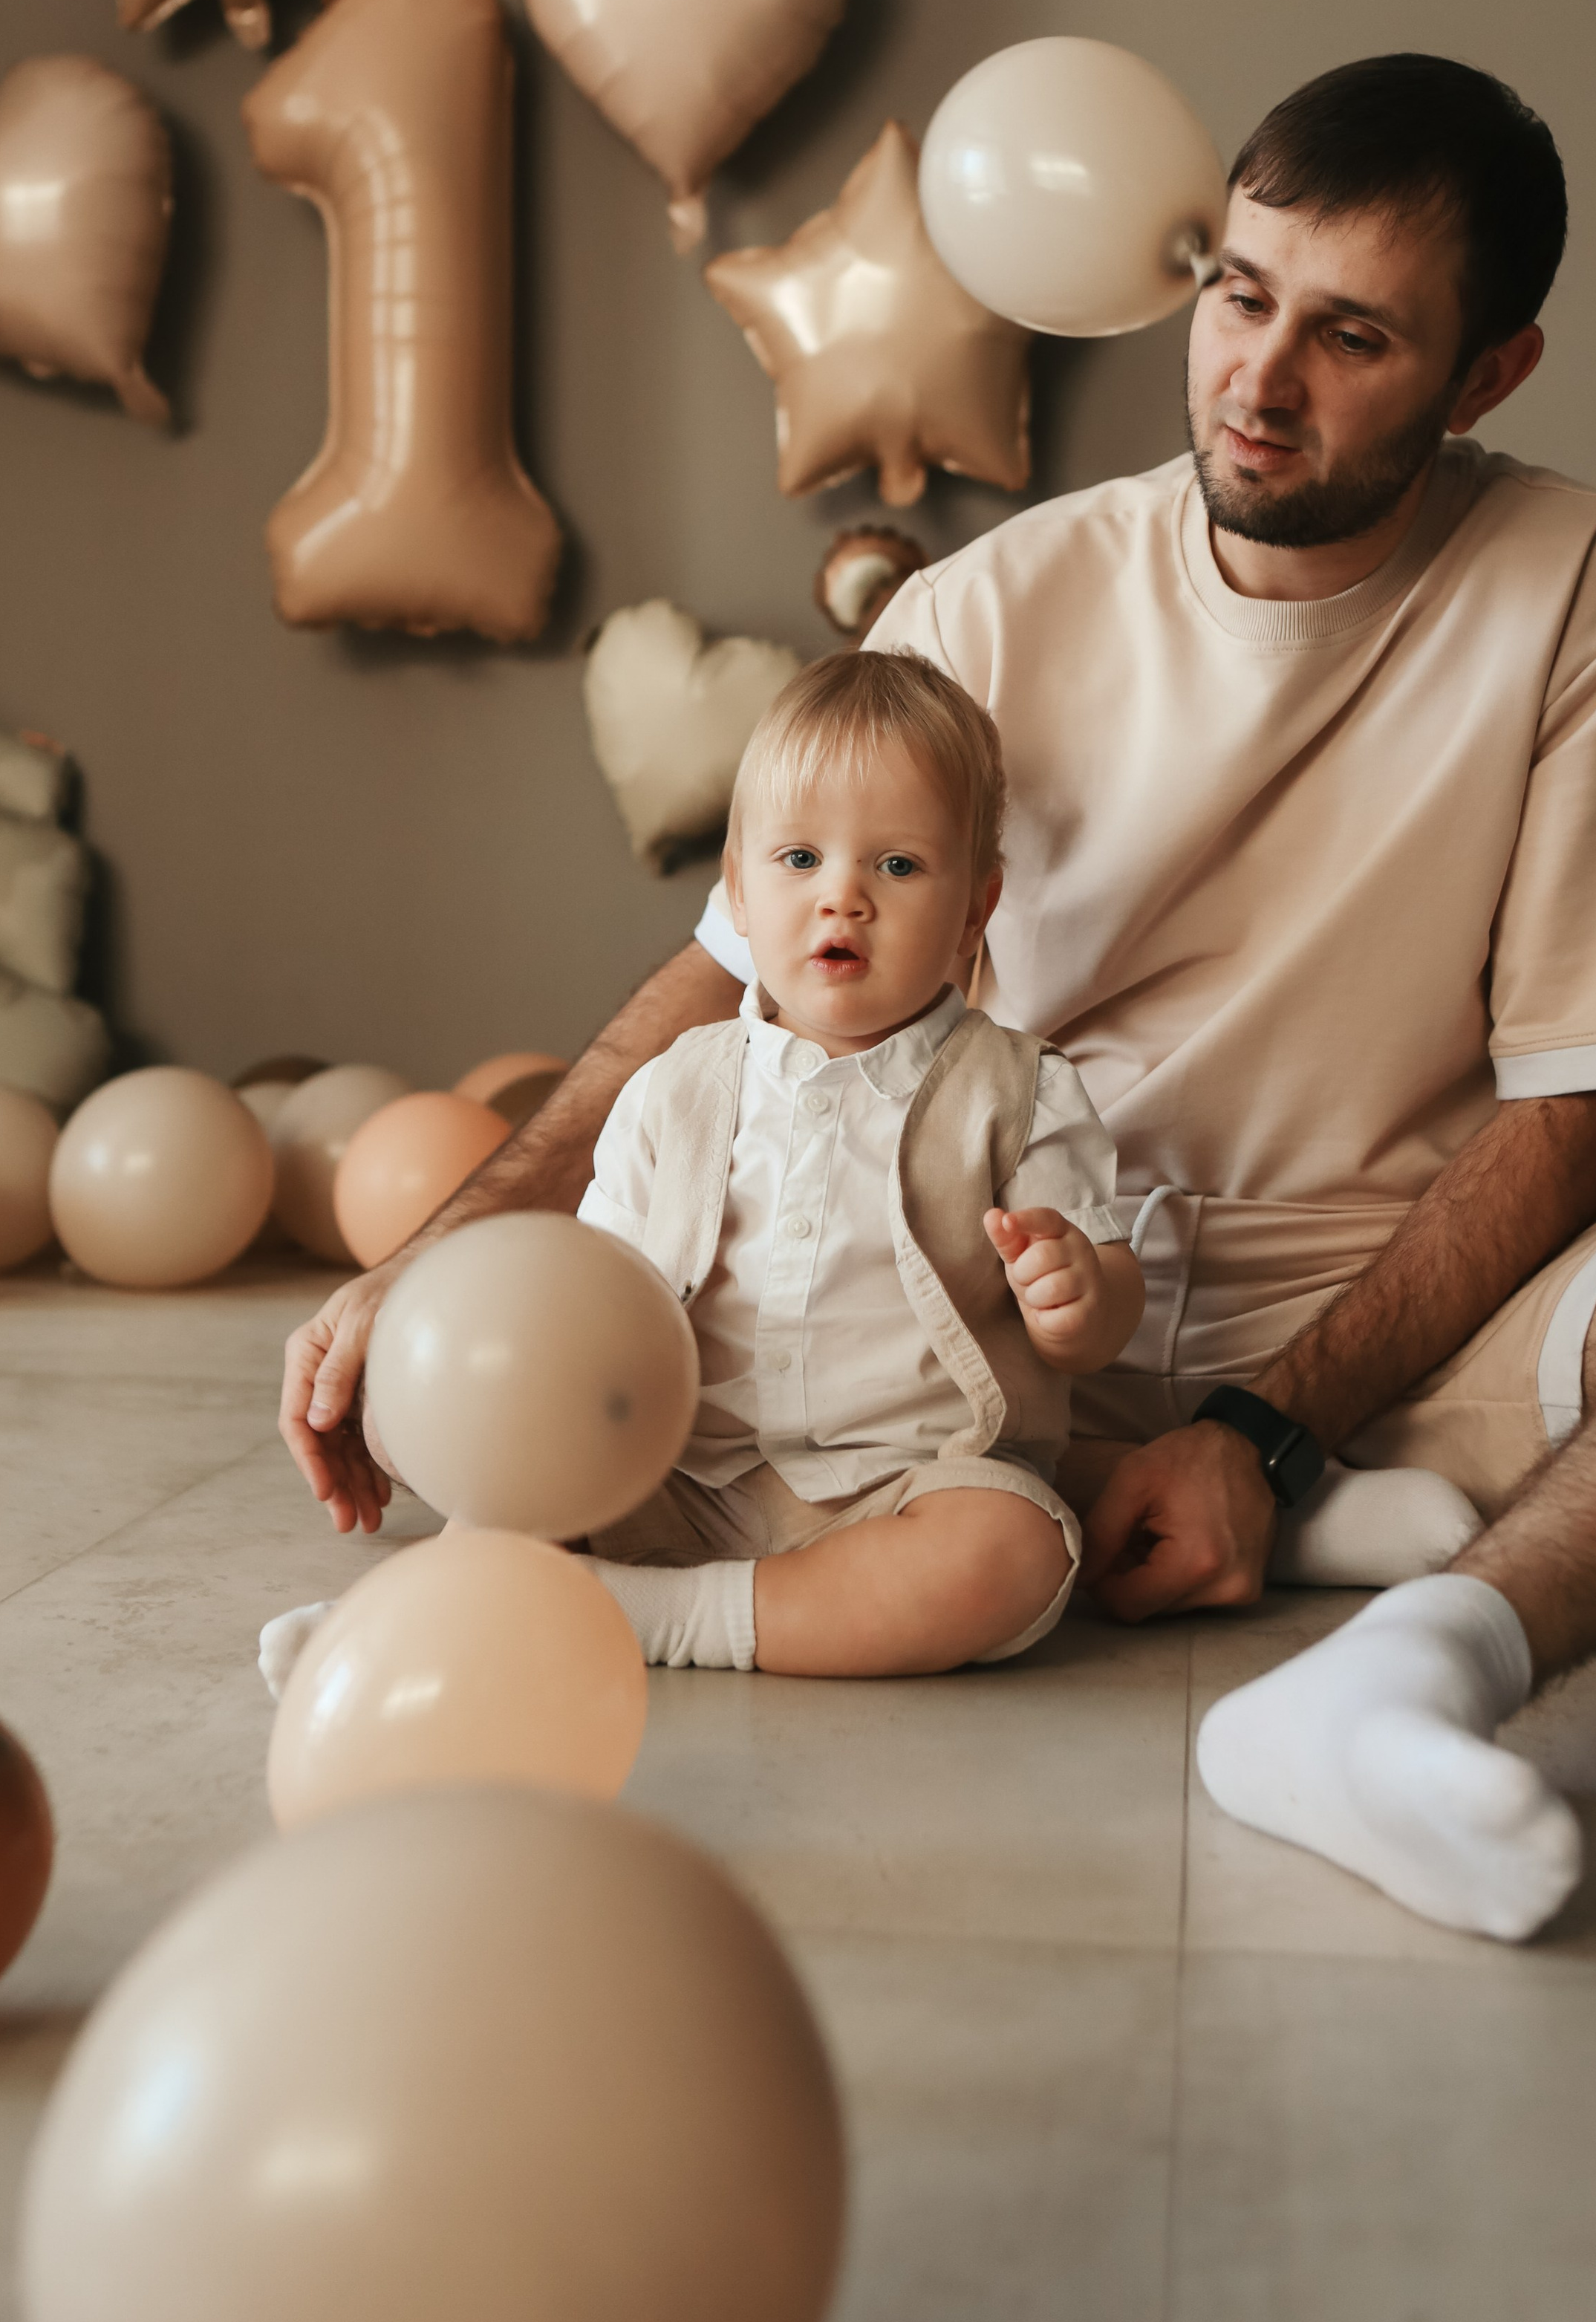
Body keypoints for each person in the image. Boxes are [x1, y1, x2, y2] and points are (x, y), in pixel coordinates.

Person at [278, 52, 1596, 1934]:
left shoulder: (1576, 586)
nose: (1255, 380)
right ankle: (1197, 1516)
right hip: (989, 1317)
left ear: (1487, 373)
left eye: (1352, 338)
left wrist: (1262, 1428)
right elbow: (721, 989)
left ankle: (1402, 1679)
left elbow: (1581, 1100)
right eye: (1237, 296)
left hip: (1393, 1309)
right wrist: (427, 1258)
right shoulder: (992, 609)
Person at [269, 648, 1144, 1685]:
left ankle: (652, 1619)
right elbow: (590, 1298)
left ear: (974, 911)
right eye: (799, 860)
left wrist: (1078, 1295)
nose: (844, 900)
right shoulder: (673, 1090)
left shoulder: (1018, 1088)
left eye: (898, 866)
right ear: (735, 892)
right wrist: (486, 1383)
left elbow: (1108, 1285)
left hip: (901, 1491)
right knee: (502, 1435)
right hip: (671, 1474)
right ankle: (421, 1619)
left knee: (1017, 1554)